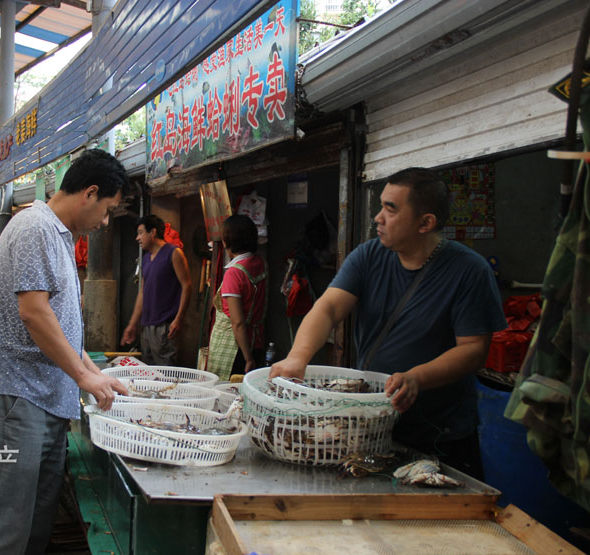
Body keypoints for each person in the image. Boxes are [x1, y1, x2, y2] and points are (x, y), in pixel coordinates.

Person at [269, 168, 506, 478]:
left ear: (426, 223)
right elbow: (327, 308)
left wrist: (417, 378)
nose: (377, 218)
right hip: (373, 426)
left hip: (441, 435)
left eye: (390, 209)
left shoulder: (469, 272)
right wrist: (298, 357)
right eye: (380, 206)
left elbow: (474, 350)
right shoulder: (368, 256)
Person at [0, 149, 129, 555]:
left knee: (34, 526)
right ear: (90, 193)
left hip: (44, 399)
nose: (104, 222)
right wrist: (83, 377)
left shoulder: (56, 235)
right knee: (5, 525)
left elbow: (61, 327)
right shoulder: (35, 227)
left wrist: (97, 373)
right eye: (108, 210)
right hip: (18, 397)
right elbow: (34, 311)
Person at [120, 214, 192, 365]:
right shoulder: (146, 259)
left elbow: (187, 285)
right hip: (146, 325)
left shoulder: (173, 253)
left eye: (140, 233)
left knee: (166, 372)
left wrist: (178, 319)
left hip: (166, 325)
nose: (137, 238)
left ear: (152, 232)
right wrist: (132, 324)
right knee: (149, 371)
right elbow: (142, 292)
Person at [207, 215, 267, 380]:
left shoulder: (234, 273)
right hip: (257, 339)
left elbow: (238, 322)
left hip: (236, 347)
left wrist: (248, 358)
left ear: (226, 242)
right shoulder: (258, 262)